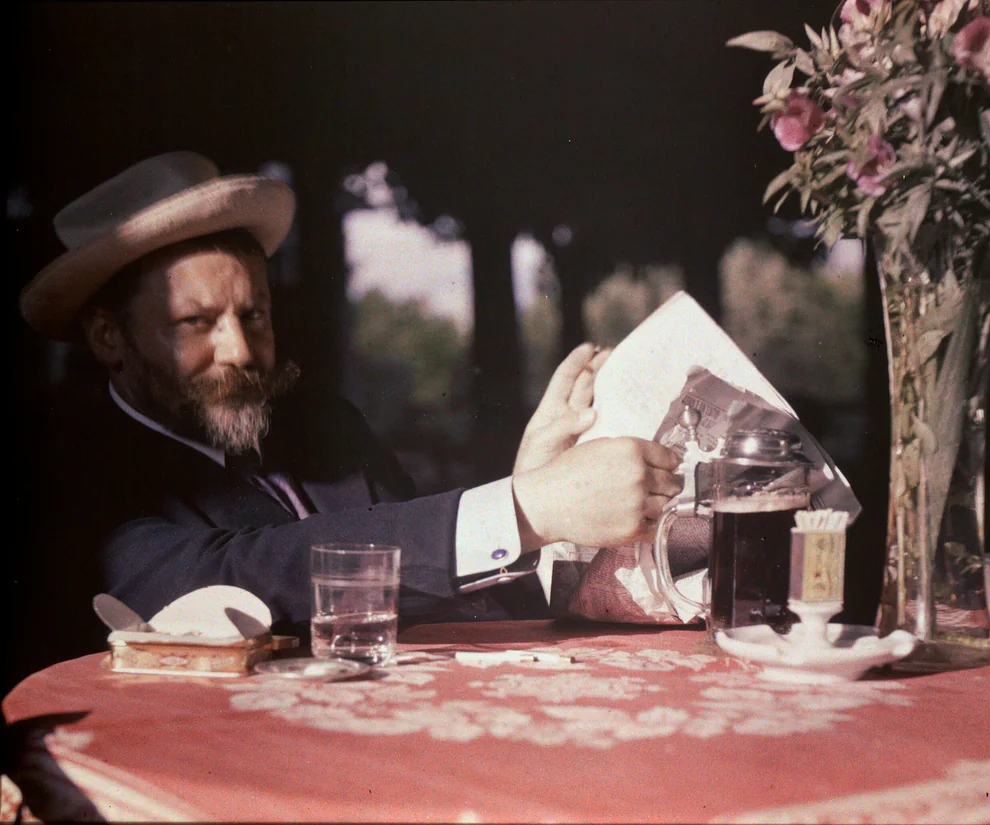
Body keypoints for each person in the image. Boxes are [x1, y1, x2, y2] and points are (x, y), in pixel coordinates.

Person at [12, 151, 682, 683]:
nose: (241, 350)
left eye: (255, 315)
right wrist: (524, 507)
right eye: (196, 323)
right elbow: (239, 574)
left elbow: (432, 580)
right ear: (108, 338)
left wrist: (532, 493)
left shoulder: (321, 424)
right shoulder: (69, 470)